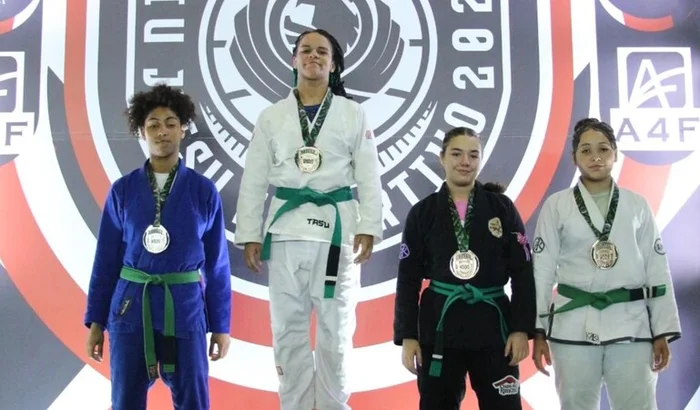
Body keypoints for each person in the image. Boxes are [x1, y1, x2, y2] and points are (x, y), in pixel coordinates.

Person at [234, 29, 383, 410]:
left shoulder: (352, 113)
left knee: (337, 333)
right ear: (294, 59)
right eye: (305, 50)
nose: (313, 56)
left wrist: (369, 225)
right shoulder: (272, 116)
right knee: (287, 331)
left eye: (322, 52)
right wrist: (250, 233)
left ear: (333, 65)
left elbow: (369, 174)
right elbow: (254, 178)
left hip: (338, 233)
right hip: (286, 233)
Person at [83, 84, 232, 410]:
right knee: (125, 402)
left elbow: (217, 265)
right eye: (153, 125)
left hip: (185, 308)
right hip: (130, 308)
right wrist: (96, 321)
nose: (162, 131)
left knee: (194, 401)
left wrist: (221, 326)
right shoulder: (122, 191)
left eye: (170, 123)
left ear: (183, 129)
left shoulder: (203, 191)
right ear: (142, 131)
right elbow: (105, 260)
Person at [530, 118, 682, 410]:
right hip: (572, 325)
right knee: (575, 405)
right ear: (574, 157)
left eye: (603, 149)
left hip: (631, 325)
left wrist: (662, 329)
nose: (595, 157)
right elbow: (542, 272)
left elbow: (656, 269)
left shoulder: (637, 205)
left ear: (615, 153)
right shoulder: (557, 205)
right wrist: (538, 330)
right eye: (586, 150)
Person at [393, 126, 536, 410]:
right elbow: (408, 279)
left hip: (494, 326)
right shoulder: (422, 212)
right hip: (440, 327)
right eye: (456, 154)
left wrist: (521, 329)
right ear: (442, 157)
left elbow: (523, 273)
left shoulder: (502, 208)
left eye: (473, 155)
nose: (465, 162)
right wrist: (408, 335)